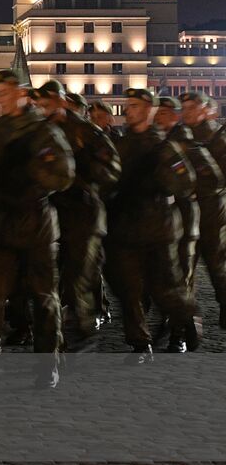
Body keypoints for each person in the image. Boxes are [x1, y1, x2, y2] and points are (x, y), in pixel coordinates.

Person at [0, 70, 74, 384]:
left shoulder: (42, 132)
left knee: (43, 296)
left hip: (35, 222)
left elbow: (63, 176)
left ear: (22, 93)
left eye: (5, 92)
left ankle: (46, 364)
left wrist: (31, 172)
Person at [105, 88, 200, 361]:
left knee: (166, 288)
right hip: (125, 228)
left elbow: (185, 183)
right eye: (128, 105)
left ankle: (186, 319)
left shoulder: (163, 147)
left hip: (158, 228)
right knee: (129, 289)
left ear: (148, 109)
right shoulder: (120, 145)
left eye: (134, 105)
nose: (129, 110)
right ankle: (140, 344)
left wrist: (159, 183)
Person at [38, 80, 120, 347]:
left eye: (47, 103)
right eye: (39, 104)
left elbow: (112, 170)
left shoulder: (86, 131)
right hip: (53, 214)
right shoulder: (41, 132)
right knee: (53, 279)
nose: (42, 108)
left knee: (77, 276)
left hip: (84, 213)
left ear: (61, 101)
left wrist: (83, 179)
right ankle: (64, 330)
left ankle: (84, 327)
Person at [182, 92, 226, 324]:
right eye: (185, 107)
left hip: (212, 210)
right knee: (183, 266)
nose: (187, 112)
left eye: (193, 107)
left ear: (209, 110)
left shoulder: (219, 137)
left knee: (217, 263)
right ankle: (184, 321)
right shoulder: (182, 136)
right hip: (187, 209)